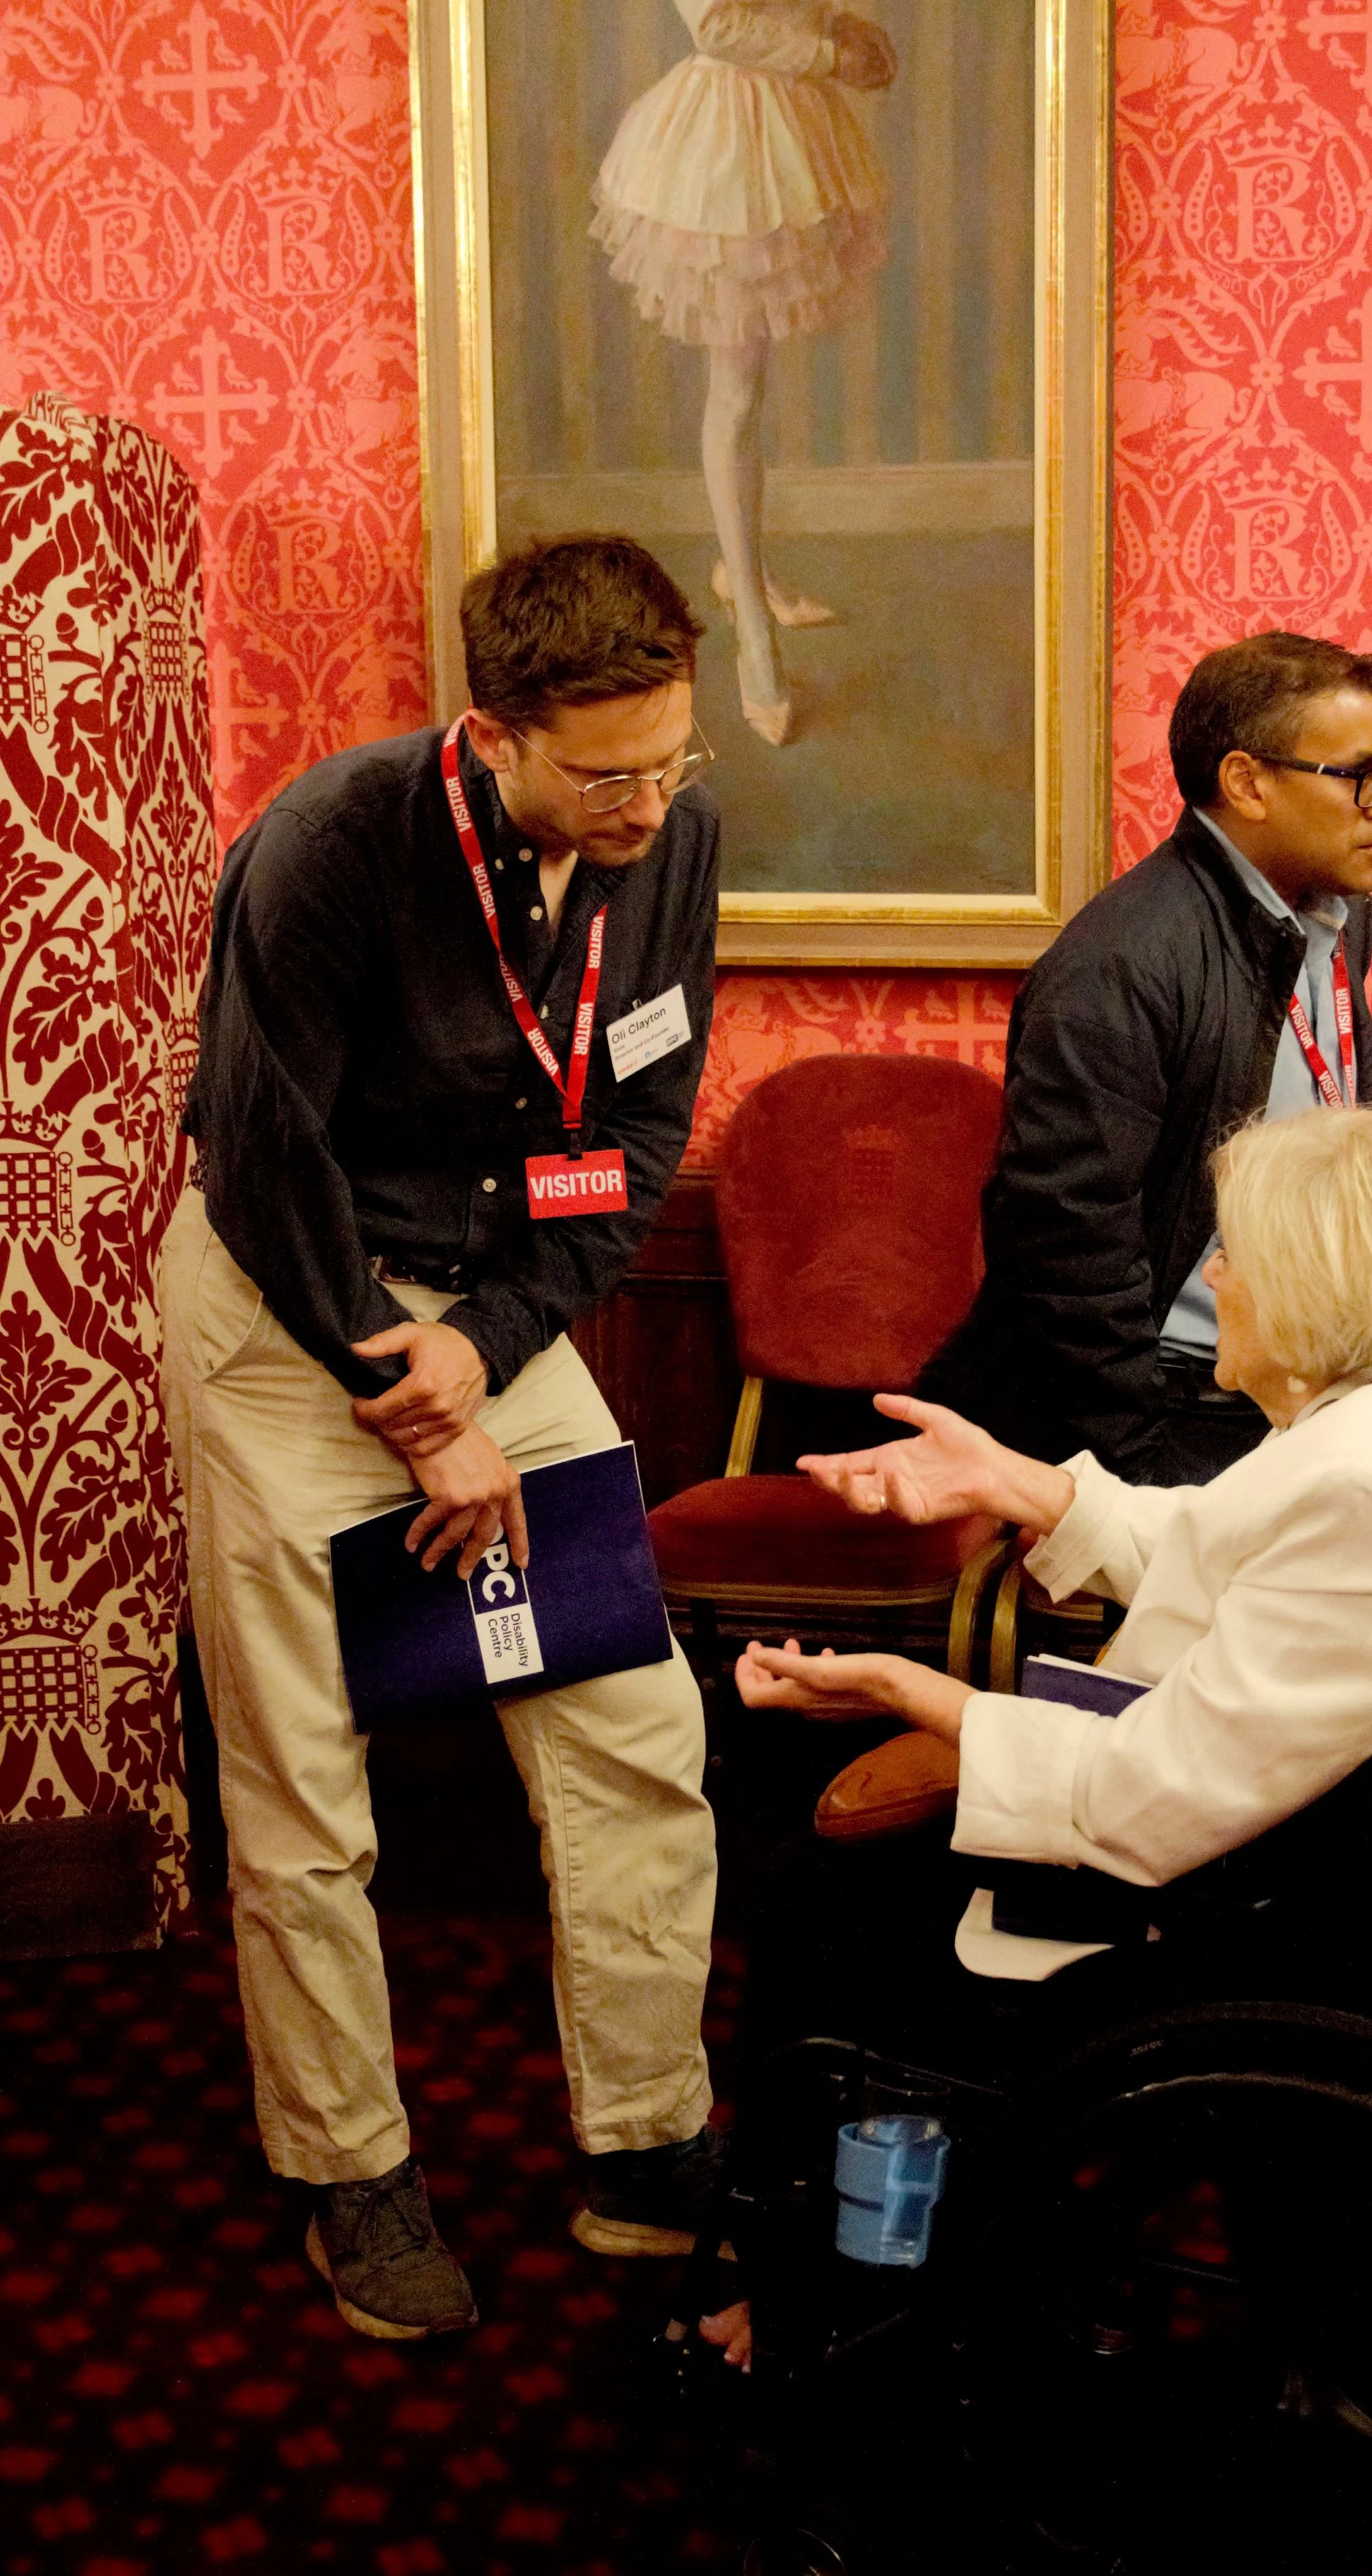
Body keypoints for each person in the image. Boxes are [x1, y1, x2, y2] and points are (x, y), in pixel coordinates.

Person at [697, 1107, 1372, 2369]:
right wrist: (1025, 1485)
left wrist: (918, 1695)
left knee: (828, 1900)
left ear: (1322, 1288)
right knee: (848, 1879)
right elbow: (1232, 1554)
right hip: (1336, 1859)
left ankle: (823, 2298)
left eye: (1235, 1256)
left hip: (1297, 1939)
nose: (1212, 1280)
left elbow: (1151, 1801)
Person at [161, 535, 726, 2342]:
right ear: (491, 731)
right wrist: (402, 1403)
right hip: (285, 1308)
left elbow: (627, 1151)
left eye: (671, 757)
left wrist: (476, 1362)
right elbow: (264, 1157)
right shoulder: (334, 842)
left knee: (633, 1725)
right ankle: (350, 2163)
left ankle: (644, 2135)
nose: (645, 802)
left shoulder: (668, 839)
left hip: (485, 1314)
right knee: (305, 1773)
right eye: (603, 769)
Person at [919, 630, 1372, 1485]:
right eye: (1361, 776)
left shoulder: (1338, 916)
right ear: (1248, 783)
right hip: (1174, 1407)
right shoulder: (1119, 964)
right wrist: (1145, 1463)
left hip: (1298, 1397)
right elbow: (1064, 1243)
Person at [592, 1, 897, 745]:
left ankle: (746, 575)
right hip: (723, 144)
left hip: (794, 130)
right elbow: (719, 27)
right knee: (735, 393)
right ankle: (755, 636)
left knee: (750, 390)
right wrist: (829, 56)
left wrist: (847, 28)